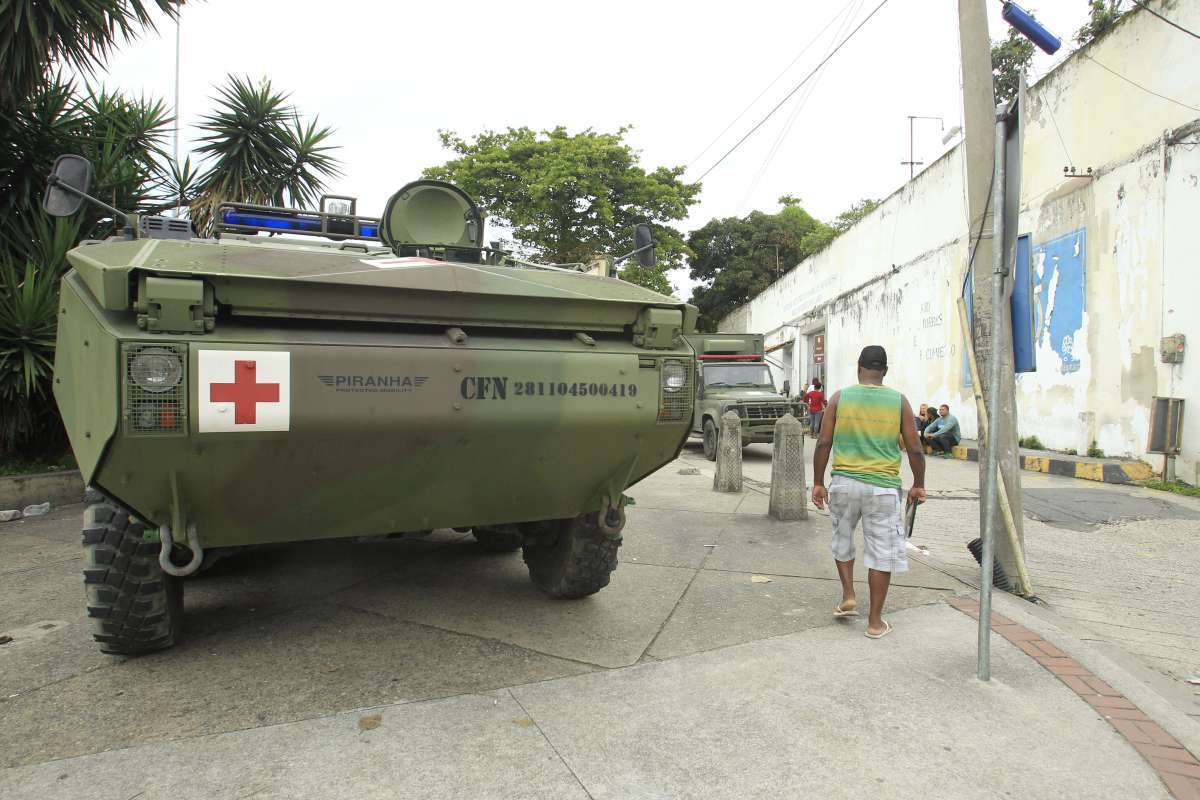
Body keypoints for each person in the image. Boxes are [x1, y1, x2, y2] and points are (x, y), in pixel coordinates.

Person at [811, 345, 926, 639]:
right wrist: (918, 484)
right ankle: (875, 622)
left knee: (842, 538)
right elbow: (914, 448)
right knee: (882, 552)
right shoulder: (899, 401)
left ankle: (848, 594)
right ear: (884, 371)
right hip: (883, 488)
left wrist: (818, 481)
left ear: (859, 368)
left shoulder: (840, 398)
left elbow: (824, 442)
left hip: (845, 483)